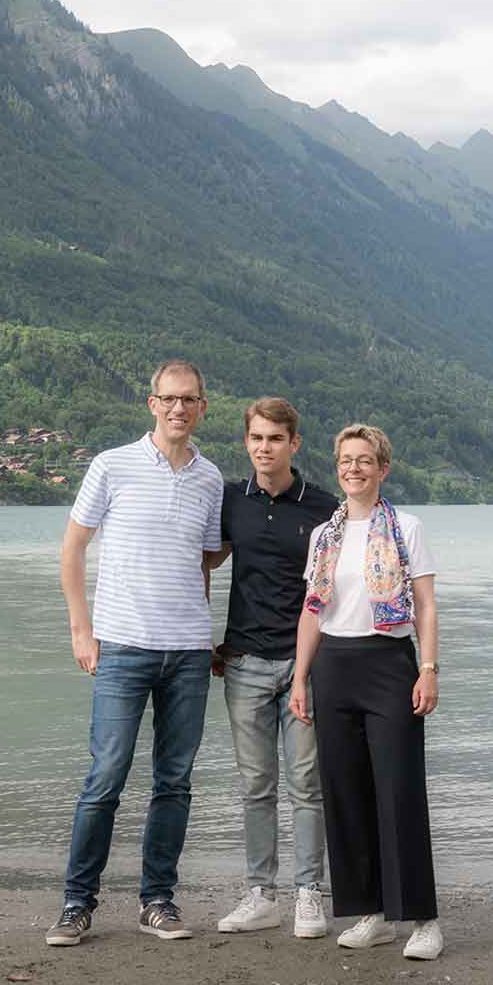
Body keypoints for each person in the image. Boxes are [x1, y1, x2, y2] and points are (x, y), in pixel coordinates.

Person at [46, 360, 224, 947]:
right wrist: (81, 630)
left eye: (189, 400)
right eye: (169, 399)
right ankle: (77, 904)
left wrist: (204, 634)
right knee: (105, 778)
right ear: (151, 404)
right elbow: (72, 551)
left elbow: (202, 562)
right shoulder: (111, 465)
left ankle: (158, 901)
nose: (179, 409)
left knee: (174, 781)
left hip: (188, 653)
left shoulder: (210, 478)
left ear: (202, 408)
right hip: (121, 647)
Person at [288, 423, 443, 961]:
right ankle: (371, 914)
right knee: (346, 794)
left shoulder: (406, 527)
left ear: (382, 469)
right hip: (333, 666)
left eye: (364, 460)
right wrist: (300, 677)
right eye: (345, 460)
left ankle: (422, 919)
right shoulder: (323, 536)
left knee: (398, 791)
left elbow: (424, 604)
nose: (353, 468)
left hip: (389, 666)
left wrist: (428, 668)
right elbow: (313, 609)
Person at [206, 397, 339, 938]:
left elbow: (339, 586)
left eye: (275, 439)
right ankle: (261, 894)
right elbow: (200, 561)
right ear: (247, 442)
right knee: (256, 785)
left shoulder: (324, 507)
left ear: (294, 444)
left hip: (303, 666)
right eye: (256, 438)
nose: (265, 448)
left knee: (307, 784)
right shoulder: (230, 500)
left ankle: (309, 894)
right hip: (243, 663)